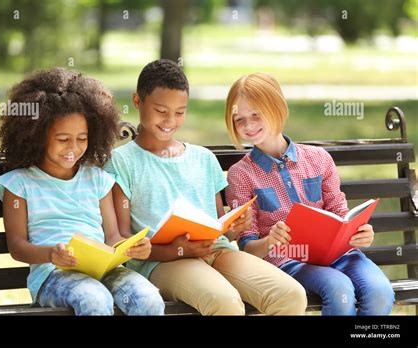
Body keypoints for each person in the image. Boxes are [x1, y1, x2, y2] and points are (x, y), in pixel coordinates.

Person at [105, 60, 307, 315]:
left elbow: (219, 228)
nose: (170, 120)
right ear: (137, 102)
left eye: (180, 112)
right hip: (160, 262)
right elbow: (123, 241)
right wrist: (175, 250)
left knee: (290, 294)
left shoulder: (203, 158)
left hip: (217, 251)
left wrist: (234, 226)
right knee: (224, 302)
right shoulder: (121, 162)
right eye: (161, 111)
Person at [0, 67, 165, 315]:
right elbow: (17, 247)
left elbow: (113, 237)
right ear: (37, 136)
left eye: (82, 138)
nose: (73, 148)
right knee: (94, 300)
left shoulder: (97, 179)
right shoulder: (20, 185)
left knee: (149, 298)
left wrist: (131, 248)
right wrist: (51, 254)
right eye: (63, 139)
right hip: (53, 275)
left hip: (104, 270)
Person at [224, 72, 395, 315]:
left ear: (278, 108)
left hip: (339, 255)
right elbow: (247, 247)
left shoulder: (318, 159)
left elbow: (340, 214)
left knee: (380, 291)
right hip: (289, 261)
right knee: (339, 289)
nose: (248, 125)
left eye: (255, 115)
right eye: (239, 120)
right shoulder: (240, 174)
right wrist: (270, 241)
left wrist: (360, 233)